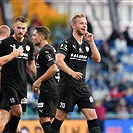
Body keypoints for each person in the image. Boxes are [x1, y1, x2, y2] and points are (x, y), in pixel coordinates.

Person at [51, 13, 102, 133]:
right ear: (74, 25)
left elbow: (97, 59)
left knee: (92, 116)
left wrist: (91, 42)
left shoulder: (86, 44)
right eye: (81, 23)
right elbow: (58, 61)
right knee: (60, 117)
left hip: (81, 86)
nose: (84, 26)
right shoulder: (67, 43)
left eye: (85, 23)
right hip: (67, 87)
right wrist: (72, 72)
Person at [0, 16, 36, 133]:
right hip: (8, 83)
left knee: (12, 115)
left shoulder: (29, 44)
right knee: (16, 111)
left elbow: (31, 64)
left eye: (23, 28)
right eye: (18, 28)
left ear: (26, 30)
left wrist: (38, 80)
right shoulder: (5, 43)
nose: (20, 31)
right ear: (13, 28)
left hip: (22, 85)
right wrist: (13, 54)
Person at [31, 26, 58, 133]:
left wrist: (38, 81)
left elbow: (53, 68)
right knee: (49, 122)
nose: (32, 37)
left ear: (41, 37)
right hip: (52, 89)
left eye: (34, 35)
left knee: (44, 120)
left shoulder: (46, 50)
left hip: (48, 89)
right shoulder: (49, 49)